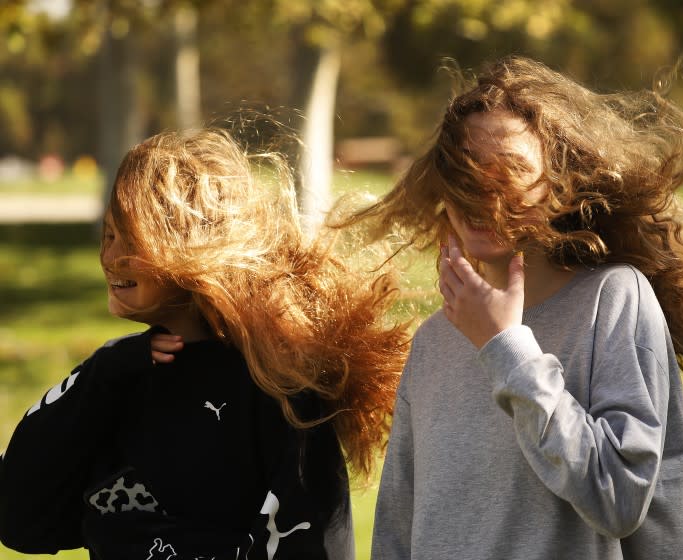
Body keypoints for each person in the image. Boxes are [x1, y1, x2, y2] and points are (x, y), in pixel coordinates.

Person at [351, 56, 683, 559]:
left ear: (559, 184)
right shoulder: (433, 342)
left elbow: (619, 499)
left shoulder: (613, 300)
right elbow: (396, 536)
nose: (483, 188)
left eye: (512, 167)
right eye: (466, 166)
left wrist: (507, 349)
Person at [0, 128, 409, 559]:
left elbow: (313, 541)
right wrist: (100, 375)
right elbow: (22, 520)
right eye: (107, 235)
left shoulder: (279, 386)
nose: (111, 257)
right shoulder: (117, 377)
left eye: (132, 240)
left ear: (192, 246)